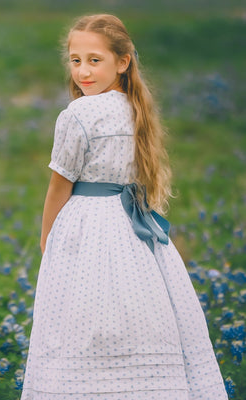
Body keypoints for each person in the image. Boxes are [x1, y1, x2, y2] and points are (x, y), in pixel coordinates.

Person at [20, 14, 228, 400]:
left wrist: (47, 238)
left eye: (94, 60)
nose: (83, 71)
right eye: (76, 59)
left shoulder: (77, 114)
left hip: (84, 226)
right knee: (136, 312)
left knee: (81, 319)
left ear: (123, 61)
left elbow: (58, 186)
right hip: (131, 226)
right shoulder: (135, 108)